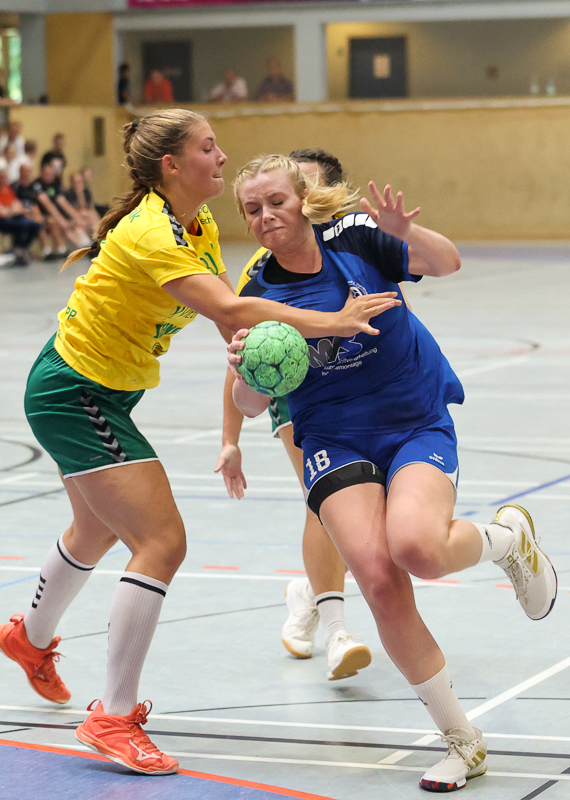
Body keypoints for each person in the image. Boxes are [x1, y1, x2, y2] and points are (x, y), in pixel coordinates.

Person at [0, 108, 401, 775]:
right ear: (172, 165)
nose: (221, 156)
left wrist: (253, 379)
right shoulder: (150, 231)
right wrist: (331, 320)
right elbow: (233, 307)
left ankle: (28, 639)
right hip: (74, 392)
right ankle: (113, 716)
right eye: (209, 148)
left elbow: (228, 324)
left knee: (95, 530)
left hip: (104, 390)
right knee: (162, 541)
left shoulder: (198, 223)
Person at [228, 154, 557, 792]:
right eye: (252, 209)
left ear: (302, 199)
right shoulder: (258, 293)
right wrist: (248, 370)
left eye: (276, 201)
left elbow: (447, 261)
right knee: (380, 580)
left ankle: (507, 540)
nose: (266, 216)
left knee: (419, 550)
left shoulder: (355, 239)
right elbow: (250, 402)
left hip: (411, 419)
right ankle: (462, 741)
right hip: (332, 439)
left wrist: (406, 233)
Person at [216, 148, 370, 677]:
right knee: (324, 501)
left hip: (366, 393)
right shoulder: (263, 272)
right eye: (258, 206)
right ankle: (337, 630)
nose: (277, 213)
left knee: (370, 517)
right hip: (299, 400)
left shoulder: (354, 251)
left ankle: (307, 590)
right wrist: (230, 439)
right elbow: (241, 362)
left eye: (297, 193)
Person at [0, 168, 41, 266]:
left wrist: (10, 210)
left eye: (6, 177)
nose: (5, 179)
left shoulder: (8, 189)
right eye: (2, 177)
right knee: (23, 224)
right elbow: (0, 213)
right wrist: (12, 210)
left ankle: (21, 247)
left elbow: (18, 206)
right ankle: (16, 249)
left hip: (11, 218)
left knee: (35, 225)